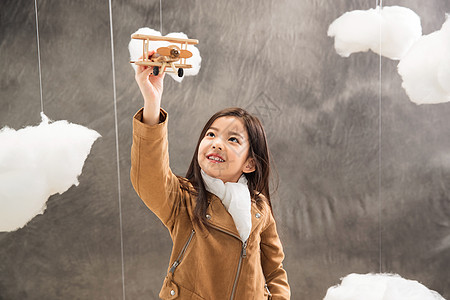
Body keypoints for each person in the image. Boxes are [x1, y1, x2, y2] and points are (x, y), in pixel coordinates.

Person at [131, 50, 290, 300]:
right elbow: (148, 175)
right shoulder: (183, 199)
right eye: (211, 134)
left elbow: (274, 271)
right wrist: (152, 103)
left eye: (233, 139)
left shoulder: (259, 207)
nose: (216, 144)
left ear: (250, 163)